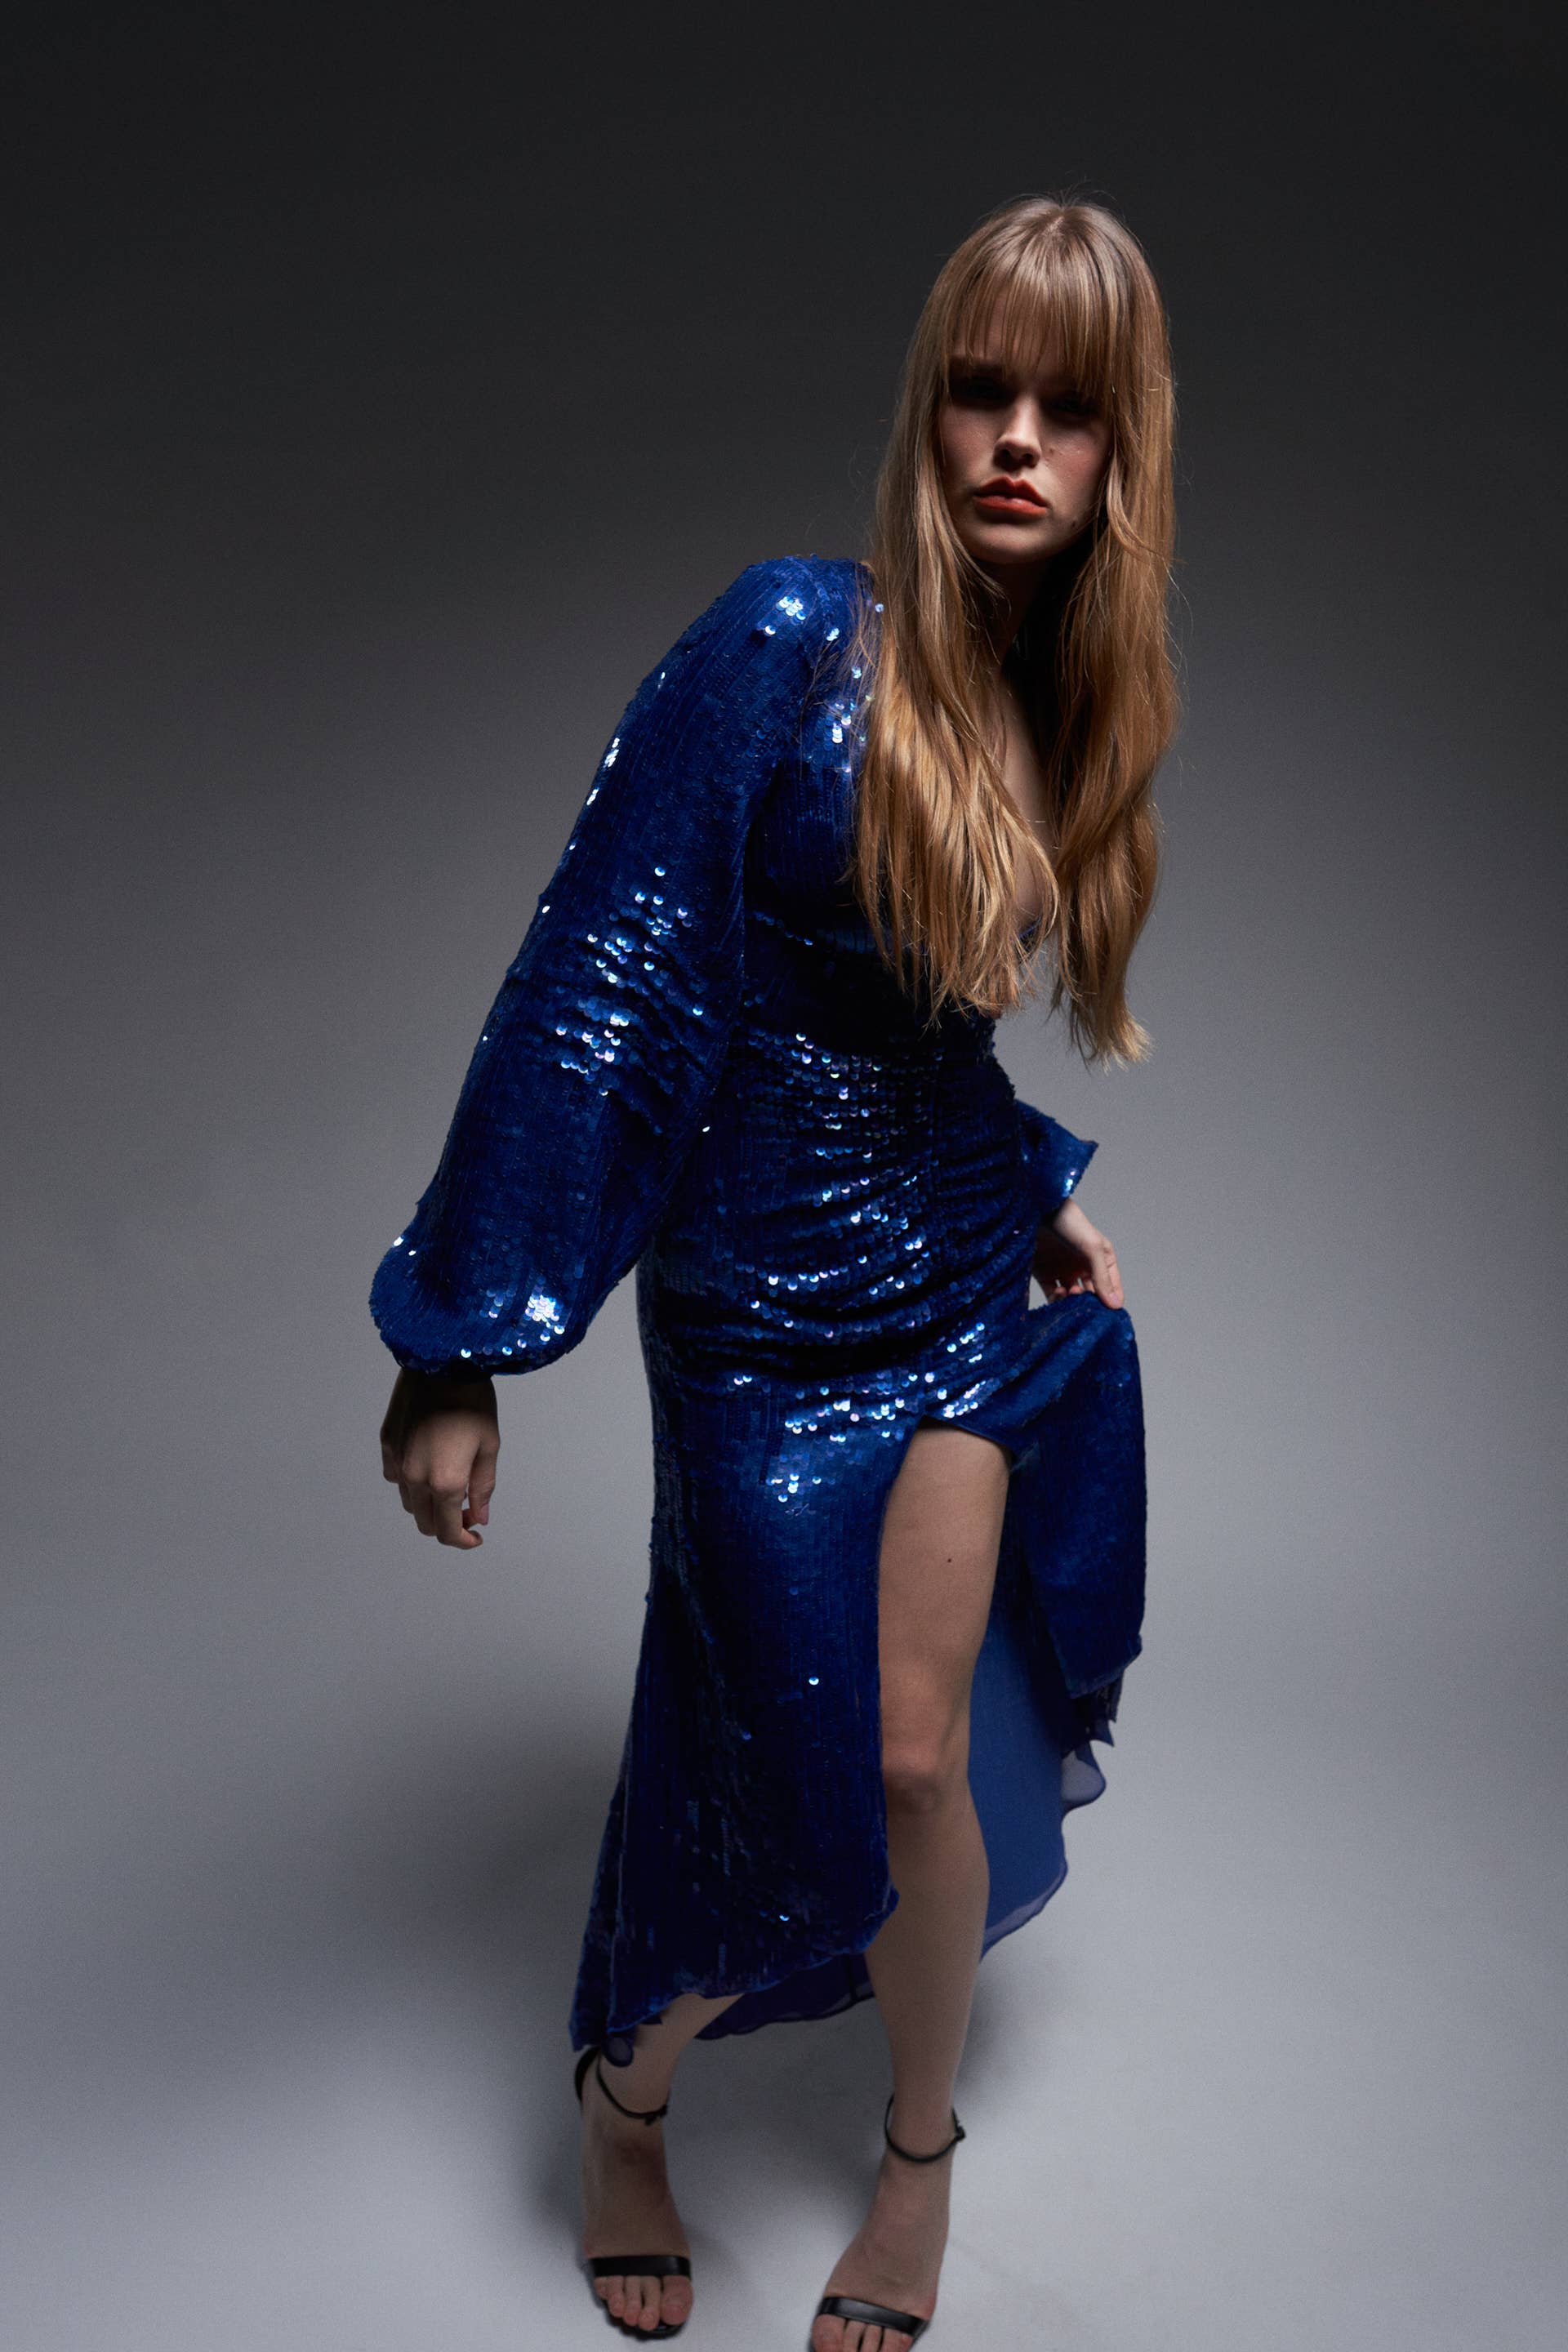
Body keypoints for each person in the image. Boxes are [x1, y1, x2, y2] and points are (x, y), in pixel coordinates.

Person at [372, 191, 1176, 2349]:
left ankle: (917, 2158)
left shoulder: (1073, 708)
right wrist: (459, 1345)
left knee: (914, 1764)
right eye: (983, 392)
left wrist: (1037, 1186)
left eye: (1070, 408)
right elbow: (604, 984)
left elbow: (929, 1033)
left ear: (1122, 452)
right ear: (932, 413)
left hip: (957, 1283)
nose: (1019, 440)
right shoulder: (789, 640)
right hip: (754, 1313)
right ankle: (623, 2094)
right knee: (777, 1763)